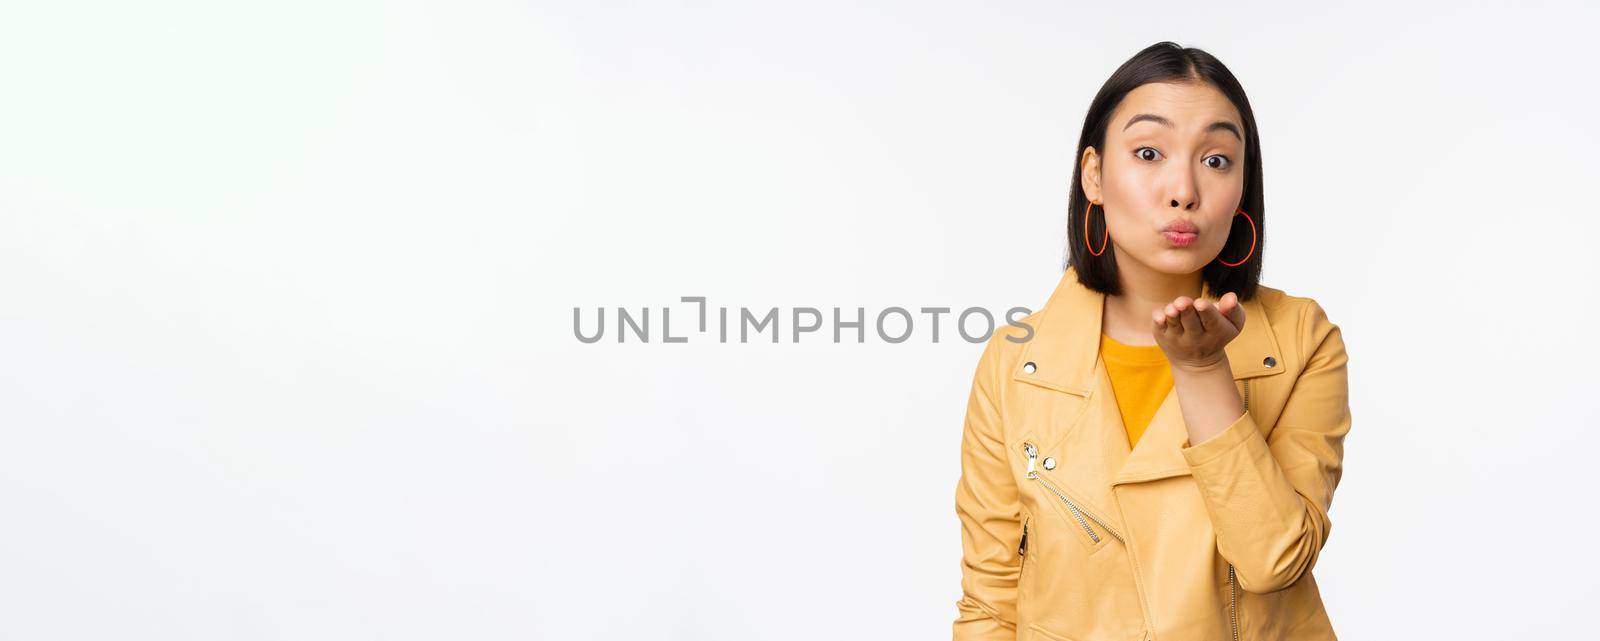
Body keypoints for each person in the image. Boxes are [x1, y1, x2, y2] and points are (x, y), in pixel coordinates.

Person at [952, 42, 1352, 641]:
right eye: (1148, 153)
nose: (1183, 190)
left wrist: (1202, 368)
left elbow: (1274, 560)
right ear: (1094, 174)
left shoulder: (1300, 340)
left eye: (1217, 160)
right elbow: (990, 604)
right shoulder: (1017, 361)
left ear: (1244, 184)